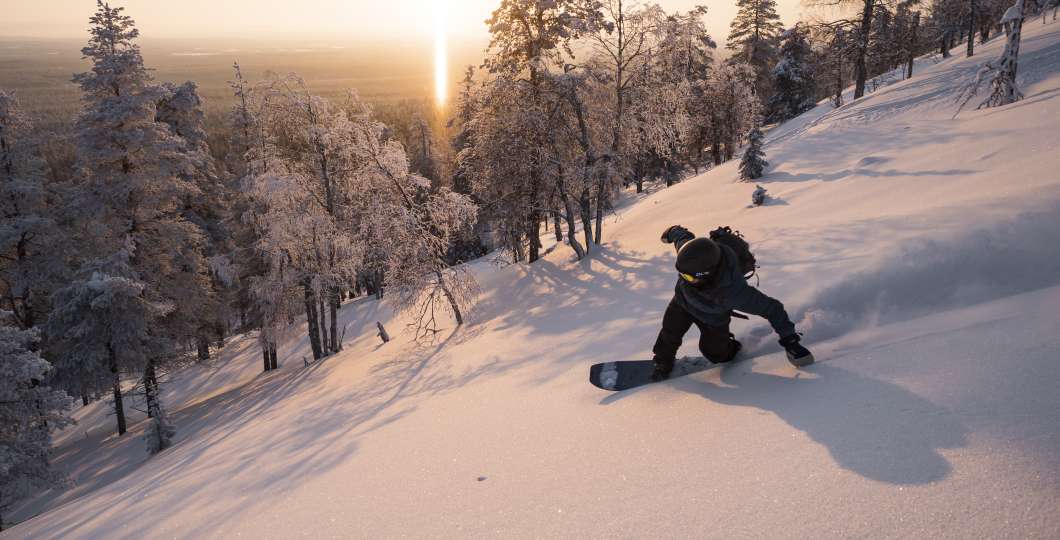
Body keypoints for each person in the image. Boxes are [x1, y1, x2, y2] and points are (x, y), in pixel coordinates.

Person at [652, 225, 813, 381]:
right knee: (669, 333)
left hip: (713, 319)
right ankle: (662, 363)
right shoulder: (691, 258)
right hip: (682, 303)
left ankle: (733, 349)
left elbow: (772, 309)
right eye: (681, 275)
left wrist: (791, 342)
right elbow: (683, 238)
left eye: (688, 277)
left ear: (706, 275)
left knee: (715, 353)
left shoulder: (734, 292)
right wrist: (674, 232)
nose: (684, 279)